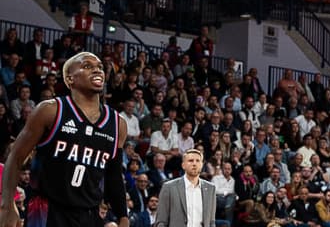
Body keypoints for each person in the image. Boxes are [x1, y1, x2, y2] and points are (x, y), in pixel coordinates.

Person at [0, 52, 130, 227]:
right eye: (87, 66)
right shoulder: (50, 111)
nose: (97, 70)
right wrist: (7, 204)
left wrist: (123, 216)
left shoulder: (117, 123)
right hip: (47, 209)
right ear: (70, 79)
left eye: (99, 67)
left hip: (89, 213)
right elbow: (15, 158)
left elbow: (113, 174)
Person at [155, 148, 215, 227]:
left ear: (201, 165)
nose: (194, 164)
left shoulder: (210, 188)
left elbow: (211, 221)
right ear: (183, 165)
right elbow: (161, 221)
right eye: (190, 161)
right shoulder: (169, 187)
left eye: (198, 161)